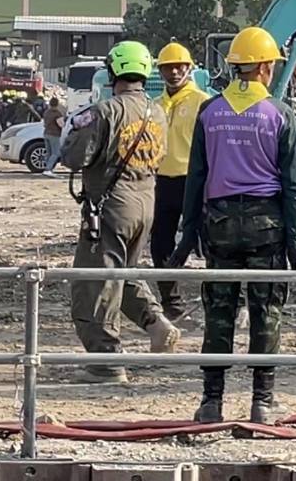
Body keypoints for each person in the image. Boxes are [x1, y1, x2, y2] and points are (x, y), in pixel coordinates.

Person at [167, 26, 296, 423]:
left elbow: (196, 177)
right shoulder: (278, 114)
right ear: (266, 67)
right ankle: (261, 403)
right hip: (265, 227)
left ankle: (211, 402)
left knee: (219, 314)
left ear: (236, 66)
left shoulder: (210, 112)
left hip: (218, 226)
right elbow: (291, 185)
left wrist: (187, 234)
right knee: (265, 312)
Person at [62, 41, 179, 385]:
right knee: (123, 273)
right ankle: (156, 323)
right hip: (145, 202)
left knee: (94, 284)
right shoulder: (157, 112)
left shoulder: (104, 111)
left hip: (111, 207)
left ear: (113, 71)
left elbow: (75, 158)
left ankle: (106, 364)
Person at [149, 41, 210, 321]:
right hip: (163, 181)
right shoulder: (155, 106)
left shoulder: (203, 102)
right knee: (160, 243)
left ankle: (221, 298)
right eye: (168, 68)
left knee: (208, 242)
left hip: (194, 181)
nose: (174, 72)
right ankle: (171, 302)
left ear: (189, 68)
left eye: (179, 67)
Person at [41, 97, 67, 176]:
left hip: (46, 133)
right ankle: (48, 169)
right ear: (57, 104)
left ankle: (47, 168)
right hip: (54, 134)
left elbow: (44, 123)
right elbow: (61, 124)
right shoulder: (57, 113)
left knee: (48, 153)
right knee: (56, 153)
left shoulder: (46, 112)